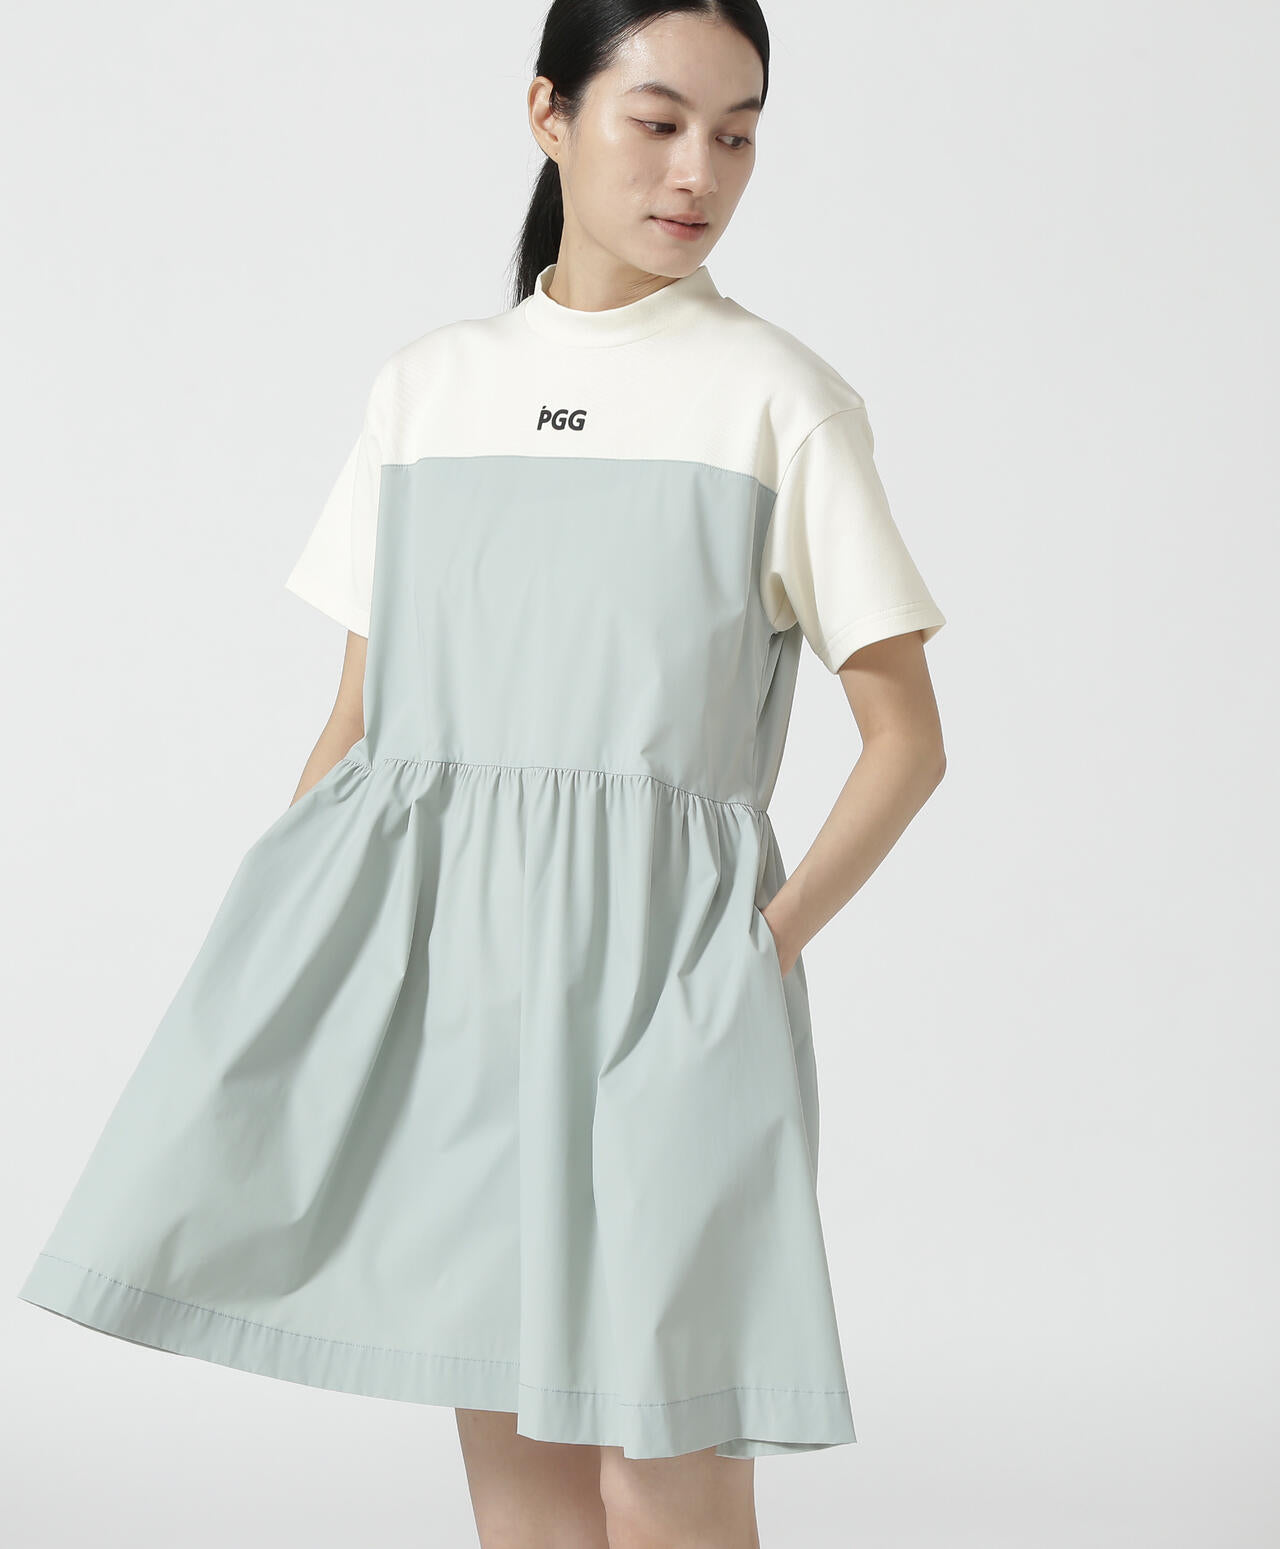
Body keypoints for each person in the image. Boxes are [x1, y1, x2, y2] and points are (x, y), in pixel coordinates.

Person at [17, 3, 948, 1545]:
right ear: (547, 114)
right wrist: (285, 959)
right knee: (525, 1492)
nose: (700, 171)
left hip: (671, 990)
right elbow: (358, 725)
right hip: (456, 982)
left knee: (666, 1477)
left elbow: (908, 739)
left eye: (737, 134)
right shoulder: (428, 390)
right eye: (659, 121)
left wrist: (753, 957)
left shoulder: (778, 398)